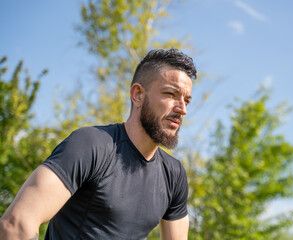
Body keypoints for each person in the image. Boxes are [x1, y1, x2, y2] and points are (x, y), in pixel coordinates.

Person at [0, 48, 197, 240]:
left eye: (186, 100)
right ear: (138, 95)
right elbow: (16, 224)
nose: (182, 109)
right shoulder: (90, 145)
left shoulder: (174, 174)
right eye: (171, 94)